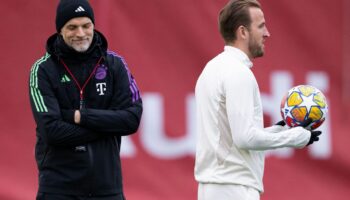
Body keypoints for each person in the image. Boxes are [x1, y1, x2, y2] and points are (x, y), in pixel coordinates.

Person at [194, 0, 321, 199]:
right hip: (234, 188)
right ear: (242, 32)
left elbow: (232, 134)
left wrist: (279, 129)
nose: (267, 33)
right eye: (261, 26)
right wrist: (296, 137)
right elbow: (245, 138)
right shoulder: (238, 73)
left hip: (214, 187)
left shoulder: (212, 68)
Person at [29, 0, 142, 199]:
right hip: (58, 189)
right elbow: (52, 131)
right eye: (72, 27)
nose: (80, 34)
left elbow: (131, 119)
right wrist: (107, 125)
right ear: (60, 30)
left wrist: (77, 116)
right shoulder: (42, 69)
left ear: (93, 26)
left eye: (86, 26)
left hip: (107, 189)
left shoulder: (115, 64)